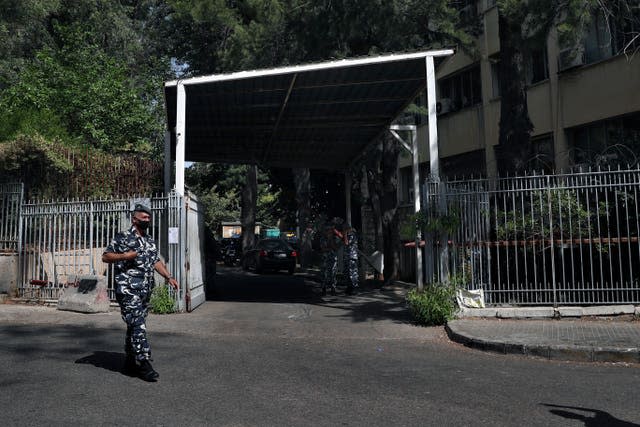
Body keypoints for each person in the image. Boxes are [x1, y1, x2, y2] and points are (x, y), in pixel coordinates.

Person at [102, 203, 179, 382]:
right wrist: (124, 256)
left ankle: (129, 362)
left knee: (134, 324)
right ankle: (144, 364)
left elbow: (155, 262)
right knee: (138, 324)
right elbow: (106, 256)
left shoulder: (149, 240)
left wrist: (169, 277)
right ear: (134, 219)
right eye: (144, 218)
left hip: (144, 289)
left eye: (149, 218)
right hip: (127, 289)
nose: (147, 220)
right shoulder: (123, 237)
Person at [320, 224, 339, 296]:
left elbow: (336, 248)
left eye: (330, 231)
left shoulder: (334, 238)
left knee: (333, 273)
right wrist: (330, 248)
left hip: (333, 258)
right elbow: (323, 248)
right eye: (327, 231)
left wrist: (331, 241)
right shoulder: (322, 239)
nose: (329, 232)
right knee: (324, 273)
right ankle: (324, 288)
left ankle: (333, 288)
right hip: (325, 258)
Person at [341, 224, 359, 295]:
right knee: (347, 273)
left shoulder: (352, 235)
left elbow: (346, 243)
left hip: (351, 257)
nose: (343, 230)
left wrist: (345, 234)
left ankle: (354, 288)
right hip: (346, 257)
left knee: (352, 273)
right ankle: (349, 287)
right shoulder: (348, 235)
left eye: (344, 229)